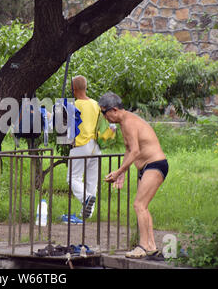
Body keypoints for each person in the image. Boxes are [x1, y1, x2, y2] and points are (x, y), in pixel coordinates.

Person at [99, 92, 168, 260]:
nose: (104, 117)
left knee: (139, 205)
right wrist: (122, 172)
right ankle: (150, 246)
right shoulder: (124, 121)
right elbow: (129, 149)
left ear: (114, 110)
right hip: (145, 167)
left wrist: (118, 171)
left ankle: (143, 247)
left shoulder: (129, 122)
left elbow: (136, 151)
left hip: (155, 164)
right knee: (142, 206)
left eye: (104, 113)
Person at [63, 75, 105, 223]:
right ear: (85, 87)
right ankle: (86, 213)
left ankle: (86, 199)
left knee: (72, 178)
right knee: (91, 181)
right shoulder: (95, 104)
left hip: (81, 144)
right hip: (96, 145)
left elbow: (65, 125)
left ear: (73, 89)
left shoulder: (74, 105)